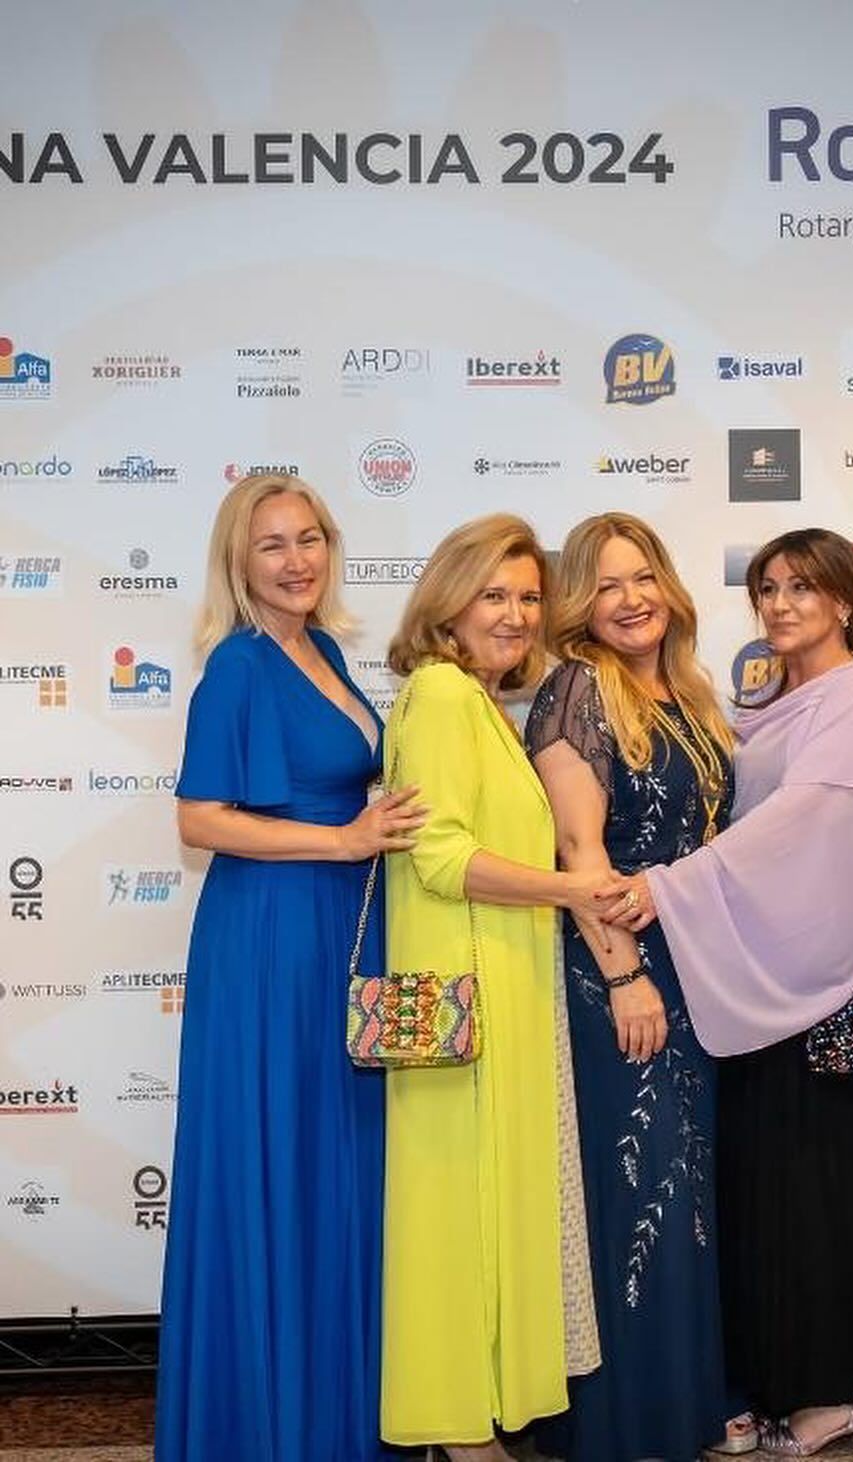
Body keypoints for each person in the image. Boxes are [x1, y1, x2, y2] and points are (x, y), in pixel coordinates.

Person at [602, 527, 853, 1458]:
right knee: (773, 1191)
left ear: (846, 601)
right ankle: (796, 1388)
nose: (780, 604)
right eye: (768, 588)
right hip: (752, 980)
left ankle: (841, 1395)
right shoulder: (770, 701)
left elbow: (802, 823)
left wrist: (668, 884)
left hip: (816, 985)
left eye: (803, 588)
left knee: (825, 1190)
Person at [156, 474, 424, 1462]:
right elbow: (199, 818)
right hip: (270, 945)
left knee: (333, 1170)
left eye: (310, 537)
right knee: (278, 1164)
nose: (297, 558)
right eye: (272, 544)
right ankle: (267, 1427)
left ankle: (334, 1416)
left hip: (334, 939)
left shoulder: (325, 653)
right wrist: (345, 842)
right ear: (239, 560)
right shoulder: (239, 665)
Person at [525, 513, 756, 1462]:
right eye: (608, 584)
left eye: (644, 576)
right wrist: (623, 976)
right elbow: (580, 851)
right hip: (617, 969)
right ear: (582, 603)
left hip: (697, 970)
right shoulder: (577, 689)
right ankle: (632, 1422)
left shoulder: (690, 695)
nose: (632, 599)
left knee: (690, 1185)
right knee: (639, 1184)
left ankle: (691, 1398)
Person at [380, 513, 602, 1462]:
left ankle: (479, 1426)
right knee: (459, 1211)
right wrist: (569, 888)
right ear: (449, 604)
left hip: (499, 982)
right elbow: (438, 856)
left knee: (489, 1206)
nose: (514, 615)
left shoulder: (477, 703)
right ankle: (461, 1434)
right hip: (462, 995)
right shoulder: (438, 693)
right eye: (493, 595)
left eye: (526, 597)